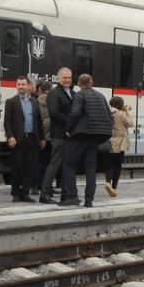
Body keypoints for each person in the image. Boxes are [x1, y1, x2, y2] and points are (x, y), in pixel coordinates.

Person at [61, 73, 112, 207]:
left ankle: (72, 196)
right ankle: (89, 200)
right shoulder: (101, 96)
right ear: (92, 82)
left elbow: (75, 113)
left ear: (78, 84)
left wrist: (68, 129)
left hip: (81, 134)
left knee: (68, 164)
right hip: (96, 137)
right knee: (90, 167)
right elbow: (109, 115)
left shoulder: (80, 95)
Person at [4, 76, 46, 202]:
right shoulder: (11, 101)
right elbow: (7, 121)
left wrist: (42, 138)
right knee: (17, 166)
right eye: (18, 84)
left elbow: (39, 121)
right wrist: (10, 136)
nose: (20, 86)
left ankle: (25, 193)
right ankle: (15, 193)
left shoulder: (35, 102)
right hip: (18, 139)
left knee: (30, 167)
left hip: (32, 139)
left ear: (28, 86)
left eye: (23, 84)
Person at [40, 68, 74, 203]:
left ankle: (66, 194)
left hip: (70, 134)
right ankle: (45, 194)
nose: (67, 80)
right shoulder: (54, 93)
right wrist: (71, 123)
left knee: (67, 164)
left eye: (69, 78)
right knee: (55, 164)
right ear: (58, 78)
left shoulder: (71, 92)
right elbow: (54, 113)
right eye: (64, 78)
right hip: (59, 134)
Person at [106, 96, 133, 196]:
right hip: (120, 142)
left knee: (110, 164)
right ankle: (113, 187)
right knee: (118, 165)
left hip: (110, 141)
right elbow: (130, 123)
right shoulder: (120, 113)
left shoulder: (108, 112)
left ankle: (107, 182)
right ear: (120, 104)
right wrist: (127, 112)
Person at [35, 79, 52, 194]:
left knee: (39, 161)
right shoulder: (51, 101)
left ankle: (36, 185)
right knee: (46, 162)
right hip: (49, 135)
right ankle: (43, 185)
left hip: (40, 135)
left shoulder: (36, 101)